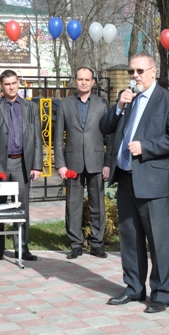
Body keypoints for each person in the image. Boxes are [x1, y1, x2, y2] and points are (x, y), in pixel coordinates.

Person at [99, 53, 169, 314]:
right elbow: (105, 127)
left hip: (152, 180)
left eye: (139, 71)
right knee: (130, 238)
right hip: (126, 179)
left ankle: (162, 293)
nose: (134, 76)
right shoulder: (128, 99)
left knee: (159, 241)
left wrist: (146, 146)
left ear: (153, 71)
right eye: (131, 72)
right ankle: (134, 287)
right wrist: (117, 107)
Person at [0, 70, 42, 262]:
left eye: (14, 83)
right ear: (1, 85)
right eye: (7, 84)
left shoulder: (30, 107)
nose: (11, 87)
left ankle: (22, 248)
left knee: (22, 207)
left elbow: (37, 138)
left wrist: (37, 166)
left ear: (19, 83)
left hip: (21, 163)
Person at [54, 67, 112, 260]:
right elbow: (57, 138)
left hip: (96, 161)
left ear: (93, 82)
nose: (84, 82)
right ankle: (76, 243)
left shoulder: (102, 104)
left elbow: (109, 136)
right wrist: (60, 164)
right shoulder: (64, 104)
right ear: (75, 81)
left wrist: (108, 163)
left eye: (87, 79)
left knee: (98, 206)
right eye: (80, 79)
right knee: (73, 205)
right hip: (72, 163)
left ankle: (97, 243)